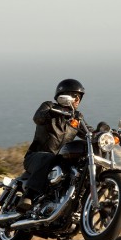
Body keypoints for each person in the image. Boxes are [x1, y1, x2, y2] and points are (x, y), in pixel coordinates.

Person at [18, 78, 87, 212]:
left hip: (60, 161)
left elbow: (88, 133)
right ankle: (29, 196)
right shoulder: (49, 106)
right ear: (64, 96)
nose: (78, 100)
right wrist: (50, 113)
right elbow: (38, 118)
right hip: (36, 157)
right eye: (75, 96)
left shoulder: (76, 118)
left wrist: (104, 132)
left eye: (80, 97)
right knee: (49, 157)